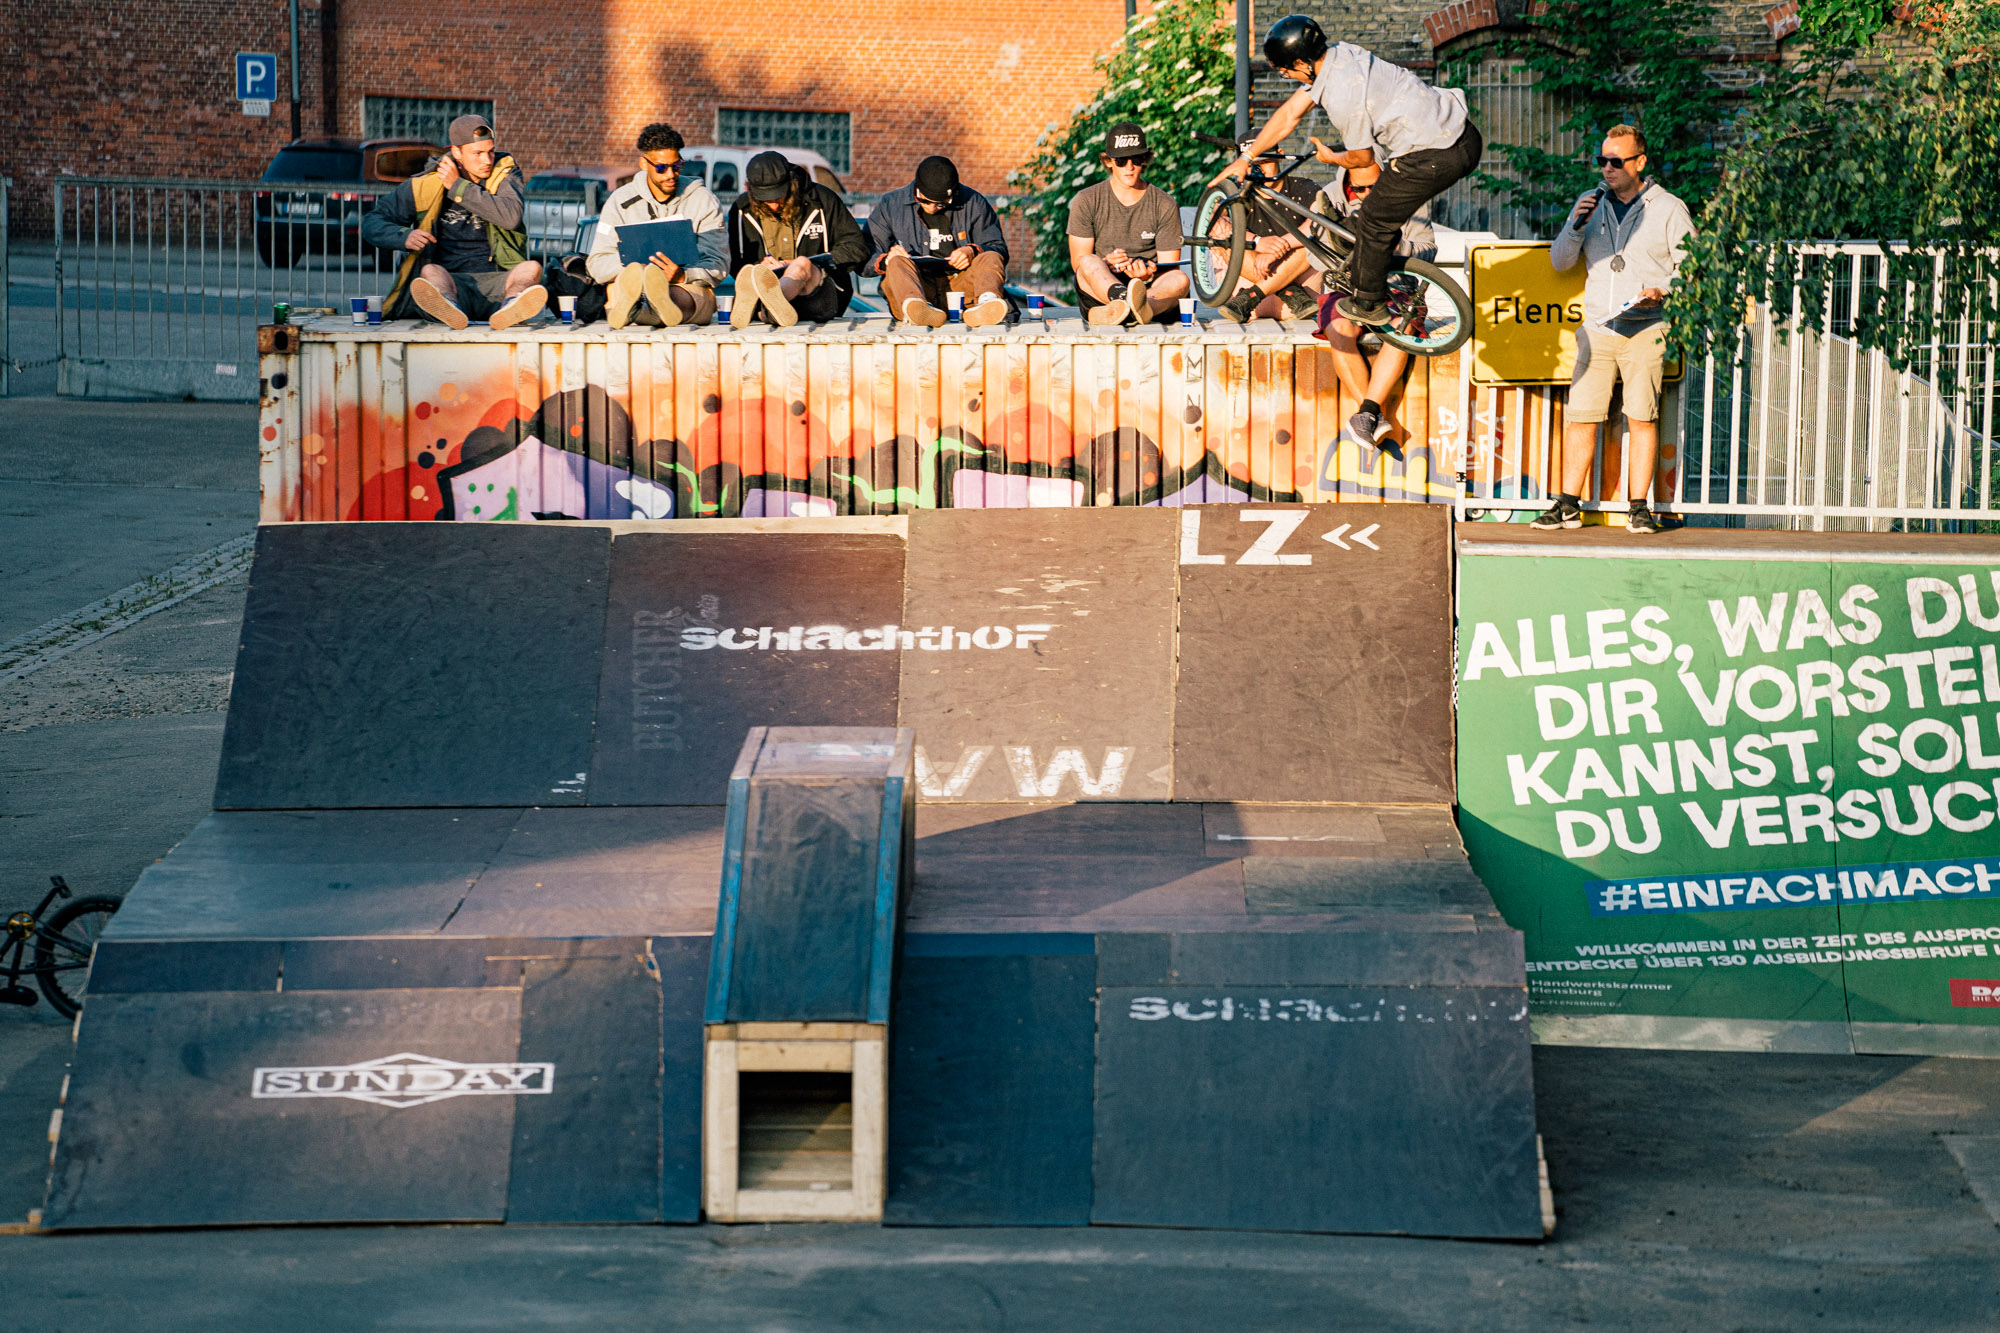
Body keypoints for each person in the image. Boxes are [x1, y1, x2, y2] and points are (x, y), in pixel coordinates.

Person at [1213, 15, 1479, 332]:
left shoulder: (1343, 97)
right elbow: (1289, 114)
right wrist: (1248, 156)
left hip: (1439, 151)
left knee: (1375, 219)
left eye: (1285, 69)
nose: (1285, 75)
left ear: (1302, 61)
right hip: (1458, 134)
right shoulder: (1339, 53)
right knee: (1375, 212)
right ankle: (1348, 234)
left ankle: (1367, 304)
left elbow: (1363, 158)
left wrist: (1332, 158)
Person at [1533, 125, 1694, 535]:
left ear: (1640, 162)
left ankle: (1638, 509)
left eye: (1616, 161)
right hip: (1598, 327)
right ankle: (1567, 504)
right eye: (1601, 160)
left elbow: (1694, 267)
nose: (1607, 169)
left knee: (1641, 417)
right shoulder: (1590, 203)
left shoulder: (1669, 209)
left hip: (1646, 326)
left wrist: (1665, 289)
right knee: (1582, 417)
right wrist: (1573, 225)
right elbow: (1560, 262)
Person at [363, 114, 544, 331]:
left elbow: (511, 217)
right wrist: (405, 236)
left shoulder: (504, 174)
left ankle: (512, 306)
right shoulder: (426, 185)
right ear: (457, 152)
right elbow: (372, 221)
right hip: (451, 282)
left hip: (499, 282)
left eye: (490, 152)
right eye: (477, 154)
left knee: (531, 268)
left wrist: (457, 187)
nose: (487, 161)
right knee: (430, 271)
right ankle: (448, 307)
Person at [1313, 161, 1436, 452]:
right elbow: (1314, 258)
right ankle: (1370, 416)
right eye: (1359, 188)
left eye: (1375, 187)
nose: (1368, 193)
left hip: (1397, 287)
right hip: (1346, 287)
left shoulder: (1412, 198)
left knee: (1402, 329)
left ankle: (1366, 412)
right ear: (1347, 185)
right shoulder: (1329, 197)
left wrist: (1397, 247)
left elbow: (1428, 249)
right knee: (1340, 327)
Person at [587, 122, 727, 328]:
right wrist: (637, 269)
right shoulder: (619, 201)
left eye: (677, 166)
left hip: (682, 288)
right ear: (644, 164)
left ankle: (642, 310)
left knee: (699, 297)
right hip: (631, 287)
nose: (671, 174)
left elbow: (718, 262)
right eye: (662, 168)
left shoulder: (703, 200)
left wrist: (683, 275)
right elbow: (596, 263)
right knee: (620, 288)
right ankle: (642, 306)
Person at [1067, 123, 1191, 327]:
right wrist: (1106, 263)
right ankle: (1125, 301)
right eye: (1122, 160)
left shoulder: (1164, 203)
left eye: (1137, 159)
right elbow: (1078, 262)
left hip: (1151, 292)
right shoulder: (1086, 199)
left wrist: (1148, 274)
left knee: (1180, 279)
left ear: (1145, 160)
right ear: (1108, 162)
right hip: (1102, 291)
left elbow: (1170, 267)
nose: (1130, 166)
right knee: (1088, 262)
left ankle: (1133, 308)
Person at [727, 151, 870, 328]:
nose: (773, 204)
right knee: (752, 271)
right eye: (765, 198)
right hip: (779, 298)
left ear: (790, 181)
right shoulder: (741, 209)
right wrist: (763, 267)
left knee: (802, 265)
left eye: (778, 195)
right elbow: (736, 263)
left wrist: (810, 263)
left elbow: (857, 248)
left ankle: (771, 303)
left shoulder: (822, 200)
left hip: (821, 294)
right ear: (749, 189)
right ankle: (770, 309)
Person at [863, 156, 1010, 328]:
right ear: (916, 188)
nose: (932, 208)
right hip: (918, 284)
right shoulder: (891, 204)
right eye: (925, 201)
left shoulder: (974, 202)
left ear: (953, 194)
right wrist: (887, 259)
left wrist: (972, 251)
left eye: (941, 204)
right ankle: (916, 307)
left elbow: (998, 248)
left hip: (961, 288)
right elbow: (864, 254)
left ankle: (986, 304)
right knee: (896, 262)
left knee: (991, 256)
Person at [1211, 155, 1322, 324]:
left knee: (1316, 237)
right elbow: (1212, 223)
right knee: (1221, 235)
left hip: (1292, 303)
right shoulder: (1235, 191)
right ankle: (1287, 290)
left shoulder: (1304, 187)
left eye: (1264, 162)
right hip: (1298, 300)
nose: (1259, 170)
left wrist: (1276, 250)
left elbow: (1318, 224)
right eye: (1251, 165)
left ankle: (1252, 295)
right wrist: (1257, 242)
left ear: (1279, 154)